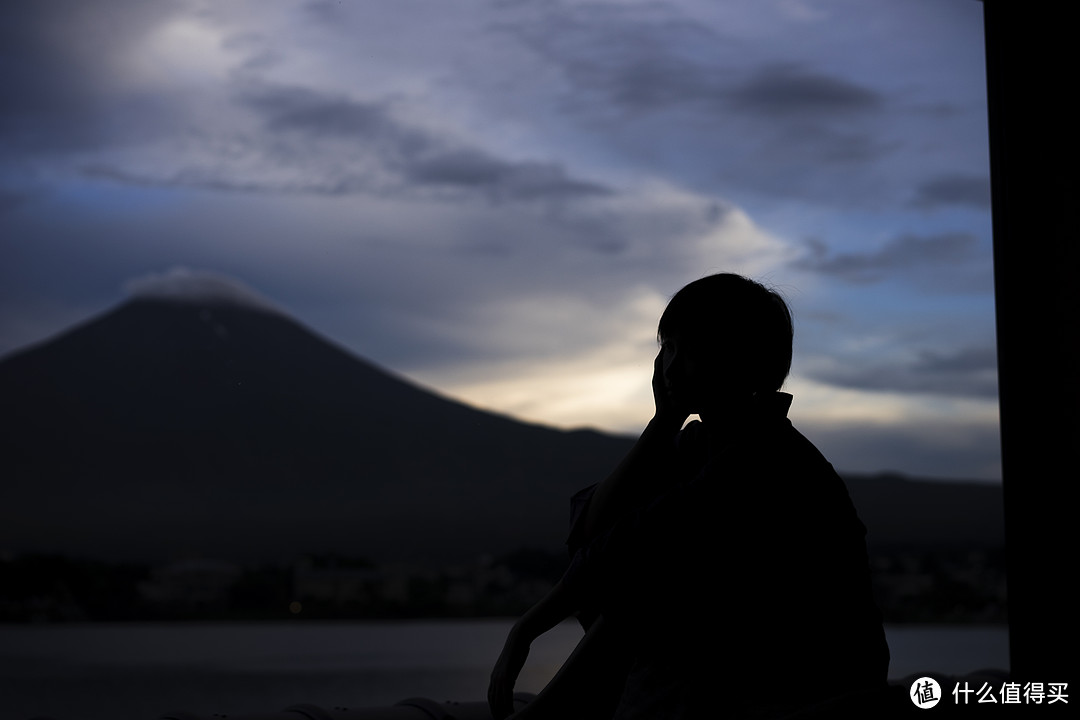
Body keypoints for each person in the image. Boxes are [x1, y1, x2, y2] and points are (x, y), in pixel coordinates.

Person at [489, 273, 890, 719]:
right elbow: (591, 529)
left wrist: (528, 626)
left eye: (694, 352)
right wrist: (664, 421)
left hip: (802, 693)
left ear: (746, 362)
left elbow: (626, 547)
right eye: (669, 349)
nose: (673, 368)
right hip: (732, 687)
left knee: (642, 591)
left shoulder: (765, 458)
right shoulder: (701, 446)